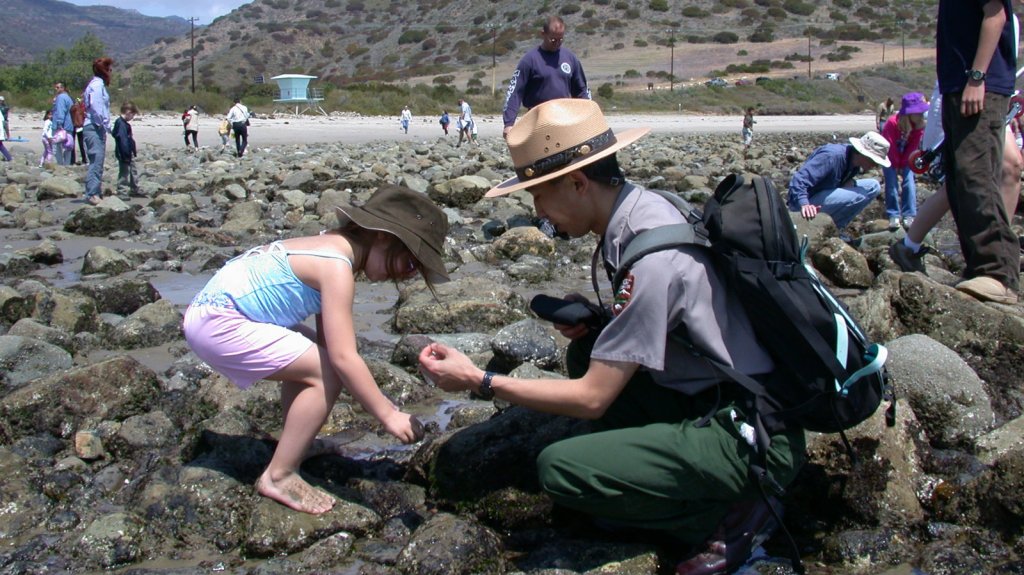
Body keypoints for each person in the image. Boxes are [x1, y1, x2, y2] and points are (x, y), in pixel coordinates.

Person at [418, 99, 805, 575]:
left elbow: (593, 398)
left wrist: (480, 379)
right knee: (587, 349)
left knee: (561, 468)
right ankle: (678, 470)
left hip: (750, 435)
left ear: (578, 182)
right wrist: (605, 321)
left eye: (539, 195)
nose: (538, 211)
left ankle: (728, 514)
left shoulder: (650, 260)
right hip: (736, 400)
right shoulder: (647, 209)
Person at [183, 185, 448, 514]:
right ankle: (279, 475)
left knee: (315, 359)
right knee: (326, 373)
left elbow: (328, 344)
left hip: (210, 314)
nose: (405, 275)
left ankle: (294, 446)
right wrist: (388, 414)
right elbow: (343, 358)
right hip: (220, 323)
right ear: (382, 236)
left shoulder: (330, 248)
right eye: (410, 262)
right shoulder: (336, 267)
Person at [933, 0, 1020, 304]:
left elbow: (996, 15)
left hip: (977, 84)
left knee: (976, 173)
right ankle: (979, 269)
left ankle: (999, 274)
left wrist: (977, 77)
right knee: (960, 178)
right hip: (957, 84)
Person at [786, 131, 891, 240]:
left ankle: (837, 227)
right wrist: (804, 204)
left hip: (824, 192)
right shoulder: (831, 156)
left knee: (874, 186)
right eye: (875, 162)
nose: (875, 166)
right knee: (860, 195)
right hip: (804, 204)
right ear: (865, 154)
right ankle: (836, 229)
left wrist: (848, 182)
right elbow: (799, 179)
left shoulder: (854, 160)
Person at [501, 15, 591, 139]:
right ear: (543, 34)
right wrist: (509, 123)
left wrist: (588, 114)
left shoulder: (570, 58)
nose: (557, 43)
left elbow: (582, 90)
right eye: (553, 39)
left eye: (561, 39)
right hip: (537, 120)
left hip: (564, 117)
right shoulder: (529, 60)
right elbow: (515, 92)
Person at [880, 92, 929, 230]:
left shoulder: (918, 126)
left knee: (909, 182)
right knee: (891, 184)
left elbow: (912, 148)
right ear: (909, 113)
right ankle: (893, 214)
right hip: (889, 158)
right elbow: (889, 147)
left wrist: (905, 164)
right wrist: (896, 165)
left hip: (906, 158)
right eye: (918, 112)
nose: (921, 116)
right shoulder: (891, 123)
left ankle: (909, 215)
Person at [83, 57, 113, 205]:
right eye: (109, 69)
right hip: (94, 127)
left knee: (98, 161)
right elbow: (96, 107)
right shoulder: (97, 85)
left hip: (95, 126)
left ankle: (95, 191)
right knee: (96, 160)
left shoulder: (96, 84)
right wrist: (106, 125)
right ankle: (92, 193)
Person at [112, 101, 139, 198]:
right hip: (123, 152)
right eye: (133, 115)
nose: (132, 118)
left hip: (128, 151)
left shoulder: (125, 124)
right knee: (124, 171)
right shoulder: (121, 124)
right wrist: (125, 153)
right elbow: (122, 140)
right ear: (128, 112)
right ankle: (122, 190)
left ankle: (134, 188)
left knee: (133, 170)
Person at [51, 82, 75, 166]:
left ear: (63, 88)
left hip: (61, 127)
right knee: (68, 146)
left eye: (57, 87)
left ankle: (60, 165)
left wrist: (59, 124)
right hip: (69, 125)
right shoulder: (69, 98)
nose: (56, 89)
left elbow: (61, 112)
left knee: (57, 147)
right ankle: (67, 164)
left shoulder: (60, 98)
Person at [71, 97, 87, 165]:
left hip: (78, 126)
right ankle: (74, 159)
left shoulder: (80, 108)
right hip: (77, 125)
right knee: (75, 144)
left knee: (81, 144)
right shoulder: (77, 108)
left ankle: (84, 159)